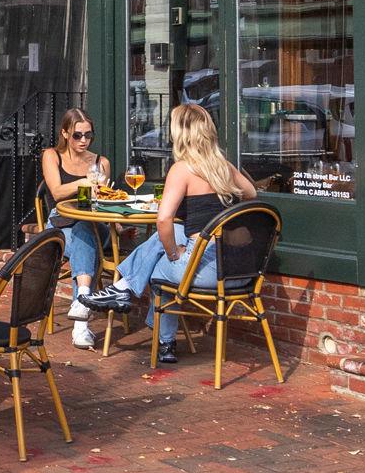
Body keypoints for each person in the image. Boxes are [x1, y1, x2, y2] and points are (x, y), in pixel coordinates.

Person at [81, 102, 256, 363]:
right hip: (242, 272)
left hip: (210, 273)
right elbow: (252, 194)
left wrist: (174, 254)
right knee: (175, 231)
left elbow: (162, 219)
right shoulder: (225, 167)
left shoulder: (183, 169)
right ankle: (127, 294)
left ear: (181, 134)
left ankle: (162, 338)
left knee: (158, 268)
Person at [40, 107, 112, 349]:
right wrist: (84, 182)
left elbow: (104, 200)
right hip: (60, 224)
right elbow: (57, 192)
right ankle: (81, 319)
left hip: (94, 223)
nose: (83, 140)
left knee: (85, 229)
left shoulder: (101, 162)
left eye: (88, 135)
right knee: (84, 238)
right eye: (77, 135)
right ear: (64, 133)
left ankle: (81, 302)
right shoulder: (52, 155)